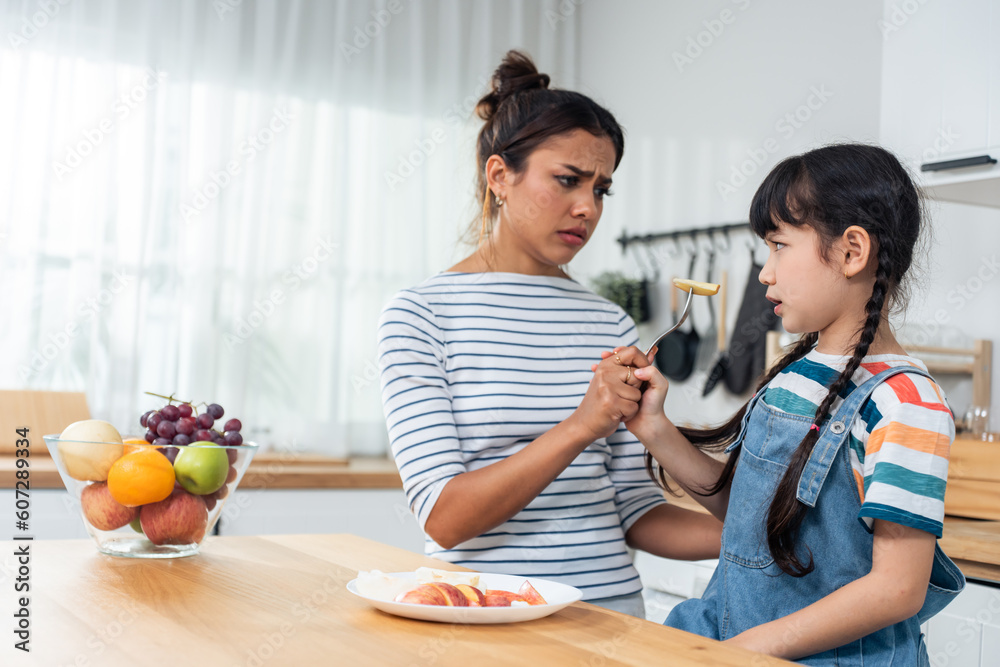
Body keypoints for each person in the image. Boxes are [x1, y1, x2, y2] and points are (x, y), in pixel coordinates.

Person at [376, 50, 722, 617]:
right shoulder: (421, 315)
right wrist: (583, 425)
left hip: (609, 620)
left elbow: (636, 512)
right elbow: (445, 515)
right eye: (566, 180)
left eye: (602, 189)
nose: (586, 207)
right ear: (499, 176)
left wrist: (773, 536)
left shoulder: (609, 323)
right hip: (483, 620)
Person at [606, 143, 965, 662]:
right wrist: (655, 428)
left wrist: (747, 650)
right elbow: (749, 517)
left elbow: (897, 589)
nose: (764, 272)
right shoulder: (796, 376)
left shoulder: (906, 402)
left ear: (851, 252)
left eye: (778, 245)